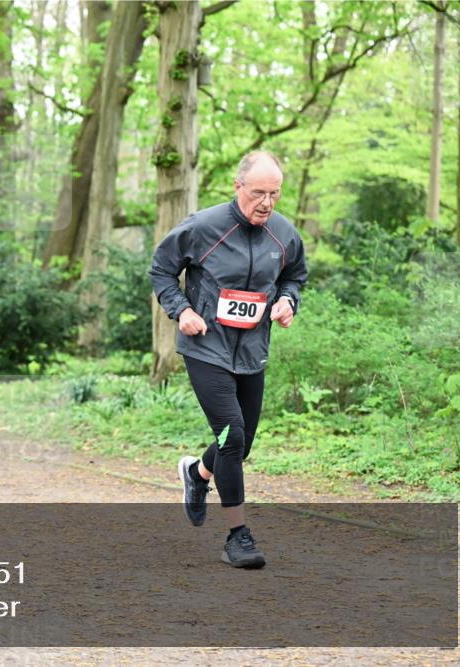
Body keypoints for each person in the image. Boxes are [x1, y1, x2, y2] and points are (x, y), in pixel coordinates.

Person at [149, 151, 307, 568]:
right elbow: (161, 269)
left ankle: (197, 474)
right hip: (206, 348)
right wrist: (181, 310)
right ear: (238, 188)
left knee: (240, 444)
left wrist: (289, 300)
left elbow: (294, 275)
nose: (267, 203)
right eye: (258, 193)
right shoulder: (203, 228)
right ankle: (238, 536)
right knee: (231, 435)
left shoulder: (285, 234)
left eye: (274, 194)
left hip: (253, 353)